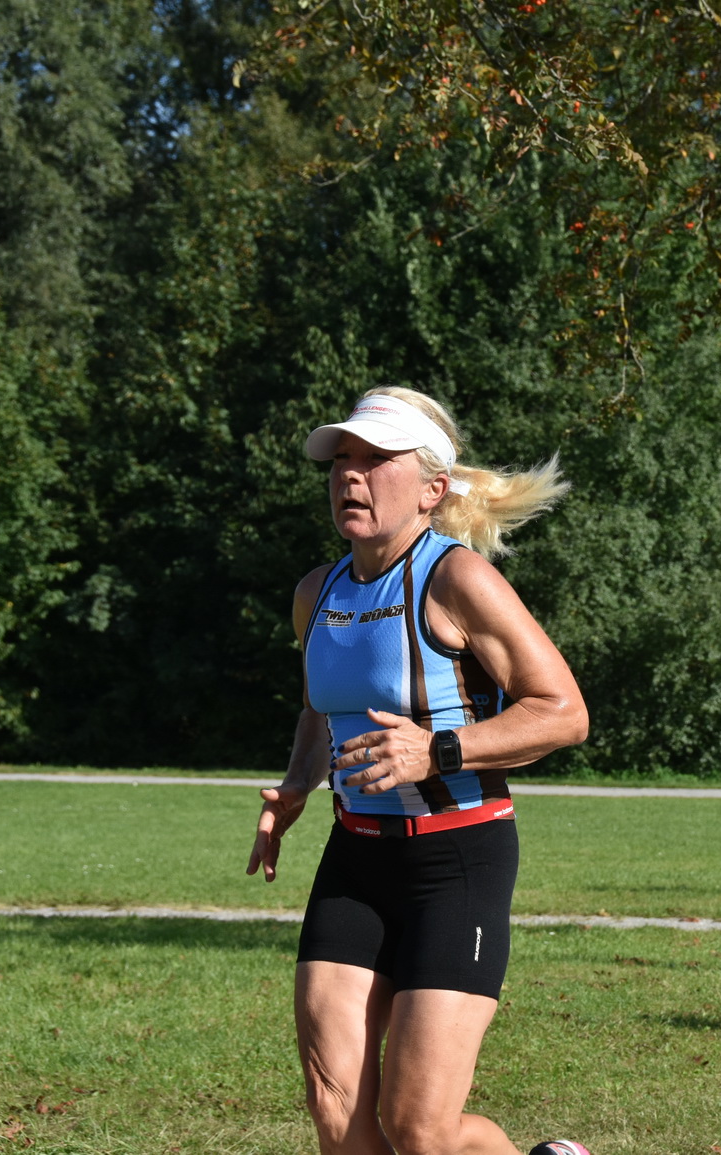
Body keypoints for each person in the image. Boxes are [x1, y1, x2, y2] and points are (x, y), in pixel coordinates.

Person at [246, 385, 592, 1155]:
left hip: (456, 859)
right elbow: (319, 707)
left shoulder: (458, 581)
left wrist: (436, 749)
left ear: (433, 487)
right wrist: (298, 785)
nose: (350, 477)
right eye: (341, 460)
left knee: (419, 1129)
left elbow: (564, 710)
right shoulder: (318, 593)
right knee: (339, 1118)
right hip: (355, 858)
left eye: (375, 459)